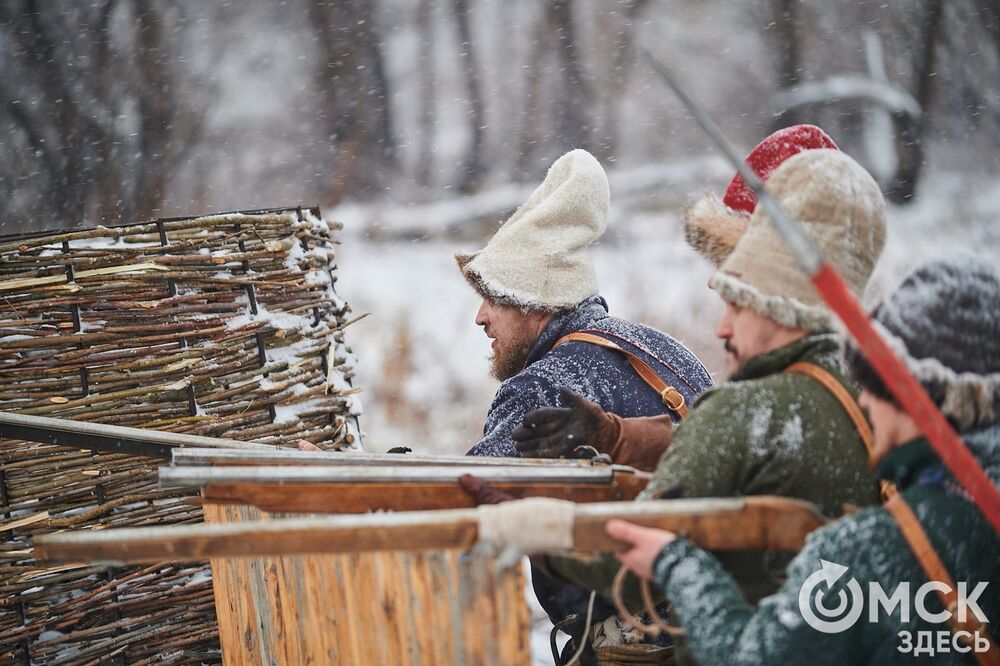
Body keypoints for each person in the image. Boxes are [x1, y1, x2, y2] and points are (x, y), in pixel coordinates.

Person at [607, 255, 1000, 665]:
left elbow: (752, 661)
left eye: (873, 383)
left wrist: (677, 564)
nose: (865, 401)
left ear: (915, 394)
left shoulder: (865, 550)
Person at [456, 147, 714, 662]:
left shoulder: (542, 385)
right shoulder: (667, 351)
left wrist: (354, 477)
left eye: (494, 297)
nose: (480, 317)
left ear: (533, 300)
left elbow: (462, 500)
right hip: (719, 625)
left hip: (635, 650)